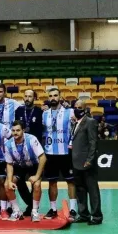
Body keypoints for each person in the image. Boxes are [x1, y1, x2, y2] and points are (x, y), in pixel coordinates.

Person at [42, 88, 77, 221]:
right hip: (50, 153)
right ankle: (53, 209)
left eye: (55, 95)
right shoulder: (45, 114)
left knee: (71, 181)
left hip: (66, 152)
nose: (53, 98)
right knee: (52, 182)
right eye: (50, 96)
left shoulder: (70, 112)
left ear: (60, 97)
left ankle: (73, 209)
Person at [4, 121, 46, 222]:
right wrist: (9, 180)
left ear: (23, 130)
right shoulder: (8, 144)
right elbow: (9, 164)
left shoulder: (31, 139)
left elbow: (43, 158)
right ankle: (17, 211)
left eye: (18, 130)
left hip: (34, 165)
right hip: (20, 166)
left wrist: (37, 176)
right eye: (13, 130)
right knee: (7, 185)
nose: (15, 133)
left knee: (36, 185)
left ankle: (35, 212)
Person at [71, 100, 102, 225]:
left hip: (87, 163)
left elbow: (93, 143)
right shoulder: (75, 123)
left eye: (80, 107)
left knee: (92, 189)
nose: (77, 109)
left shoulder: (90, 122)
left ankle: (97, 216)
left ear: (85, 109)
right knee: (80, 190)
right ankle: (84, 214)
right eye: (76, 107)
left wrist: (90, 160)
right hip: (76, 162)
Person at [14, 89, 43, 216]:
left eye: (30, 96)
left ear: (34, 98)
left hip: (34, 153)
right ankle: (31, 204)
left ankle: (32, 208)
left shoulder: (40, 112)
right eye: (25, 96)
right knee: (18, 181)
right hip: (20, 153)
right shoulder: (19, 111)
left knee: (35, 182)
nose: (27, 98)